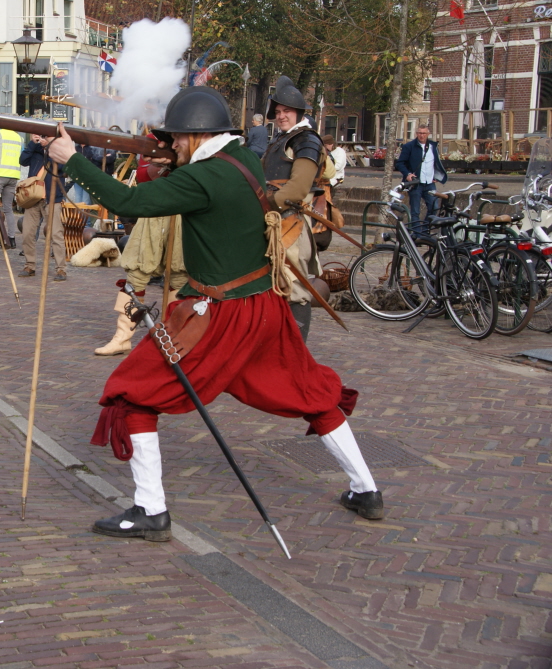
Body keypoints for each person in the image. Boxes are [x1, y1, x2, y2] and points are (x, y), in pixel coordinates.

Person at [46, 86, 384, 542]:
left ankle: (150, 509)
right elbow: (193, 180)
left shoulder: (203, 177)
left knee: (132, 392)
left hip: (219, 315)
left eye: (177, 138)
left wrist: (74, 159)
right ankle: (366, 490)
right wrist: (170, 163)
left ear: (196, 134)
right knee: (310, 391)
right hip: (265, 307)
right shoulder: (242, 158)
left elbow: (129, 205)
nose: (172, 144)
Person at [95, 158, 187, 356]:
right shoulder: (154, 144)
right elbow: (146, 174)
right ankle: (122, 338)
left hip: (184, 211)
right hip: (152, 209)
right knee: (136, 271)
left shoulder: (194, 144)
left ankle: (174, 336)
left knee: (180, 274)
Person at [262, 75, 326, 342]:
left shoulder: (306, 140)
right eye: (277, 112)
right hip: (273, 219)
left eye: (286, 111)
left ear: (298, 112)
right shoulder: (281, 138)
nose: (281, 116)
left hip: (291, 224)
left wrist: (263, 203)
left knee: (294, 287)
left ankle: (295, 352)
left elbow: (297, 189)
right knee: (273, 284)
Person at [18, 134, 68, 282]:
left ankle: (61, 269)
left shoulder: (59, 150)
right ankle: (30, 265)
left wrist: (50, 148)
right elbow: (23, 160)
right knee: (27, 233)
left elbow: (63, 168)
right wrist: (32, 144)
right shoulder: (35, 149)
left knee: (56, 234)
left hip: (52, 198)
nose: (44, 138)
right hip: (33, 197)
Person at [395, 125, 447, 237]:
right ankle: (417, 235)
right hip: (416, 183)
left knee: (434, 207)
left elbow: (436, 162)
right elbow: (400, 163)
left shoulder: (433, 146)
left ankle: (424, 231)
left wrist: (436, 175)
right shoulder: (409, 146)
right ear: (416, 133)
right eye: (419, 133)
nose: (421, 135)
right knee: (415, 211)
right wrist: (408, 174)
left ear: (428, 134)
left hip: (429, 183)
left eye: (424, 133)